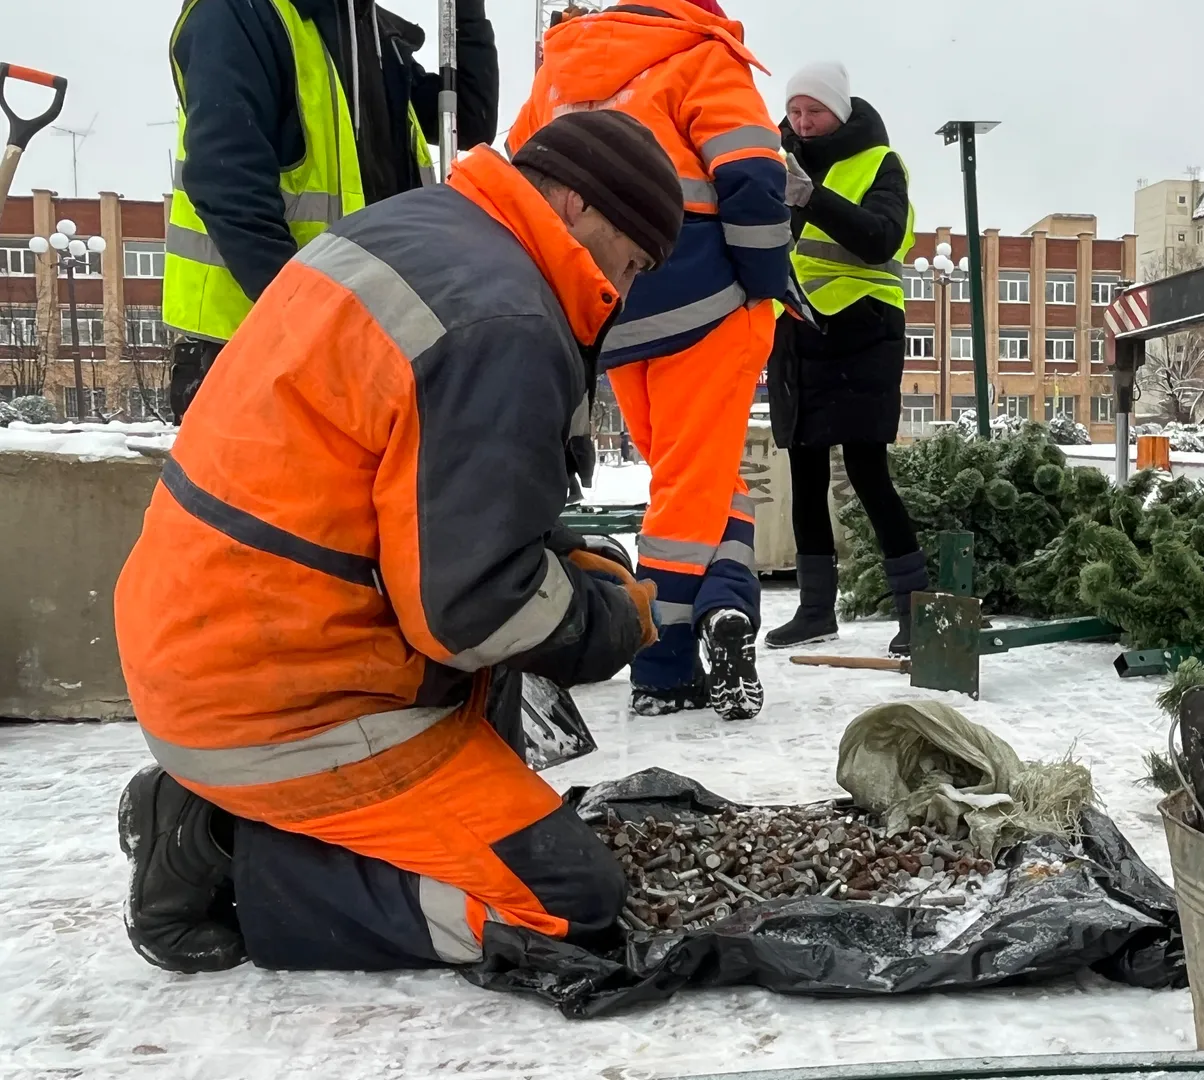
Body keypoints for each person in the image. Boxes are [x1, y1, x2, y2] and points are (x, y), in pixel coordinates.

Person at [113, 110, 681, 974]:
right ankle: (220, 844)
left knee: (508, 725)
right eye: (632, 263)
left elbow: (414, 485)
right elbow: (470, 613)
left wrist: (559, 555)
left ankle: (226, 811)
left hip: (209, 640)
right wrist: (613, 623)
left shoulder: (423, 230)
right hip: (284, 701)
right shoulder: (509, 320)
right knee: (562, 908)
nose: (625, 290)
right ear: (576, 206)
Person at [508, 0, 789, 721]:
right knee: (689, 494)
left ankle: (725, 606)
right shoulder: (702, 53)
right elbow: (754, 171)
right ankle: (661, 662)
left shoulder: (564, 67)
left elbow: (522, 176)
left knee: (692, 482)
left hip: (615, 304)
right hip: (705, 293)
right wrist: (762, 281)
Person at [163, 0, 500, 420]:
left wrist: (466, 13)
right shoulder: (239, 14)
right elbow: (229, 186)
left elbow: (468, 118)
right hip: (254, 348)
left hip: (363, 341)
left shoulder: (369, 32)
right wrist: (320, 330)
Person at [764, 63, 926, 656]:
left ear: (842, 110)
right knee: (803, 472)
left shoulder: (880, 162)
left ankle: (915, 611)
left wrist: (811, 196)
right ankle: (814, 612)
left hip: (862, 326)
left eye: (816, 111)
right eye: (796, 111)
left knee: (866, 471)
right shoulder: (773, 159)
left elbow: (881, 237)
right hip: (796, 327)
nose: (803, 123)